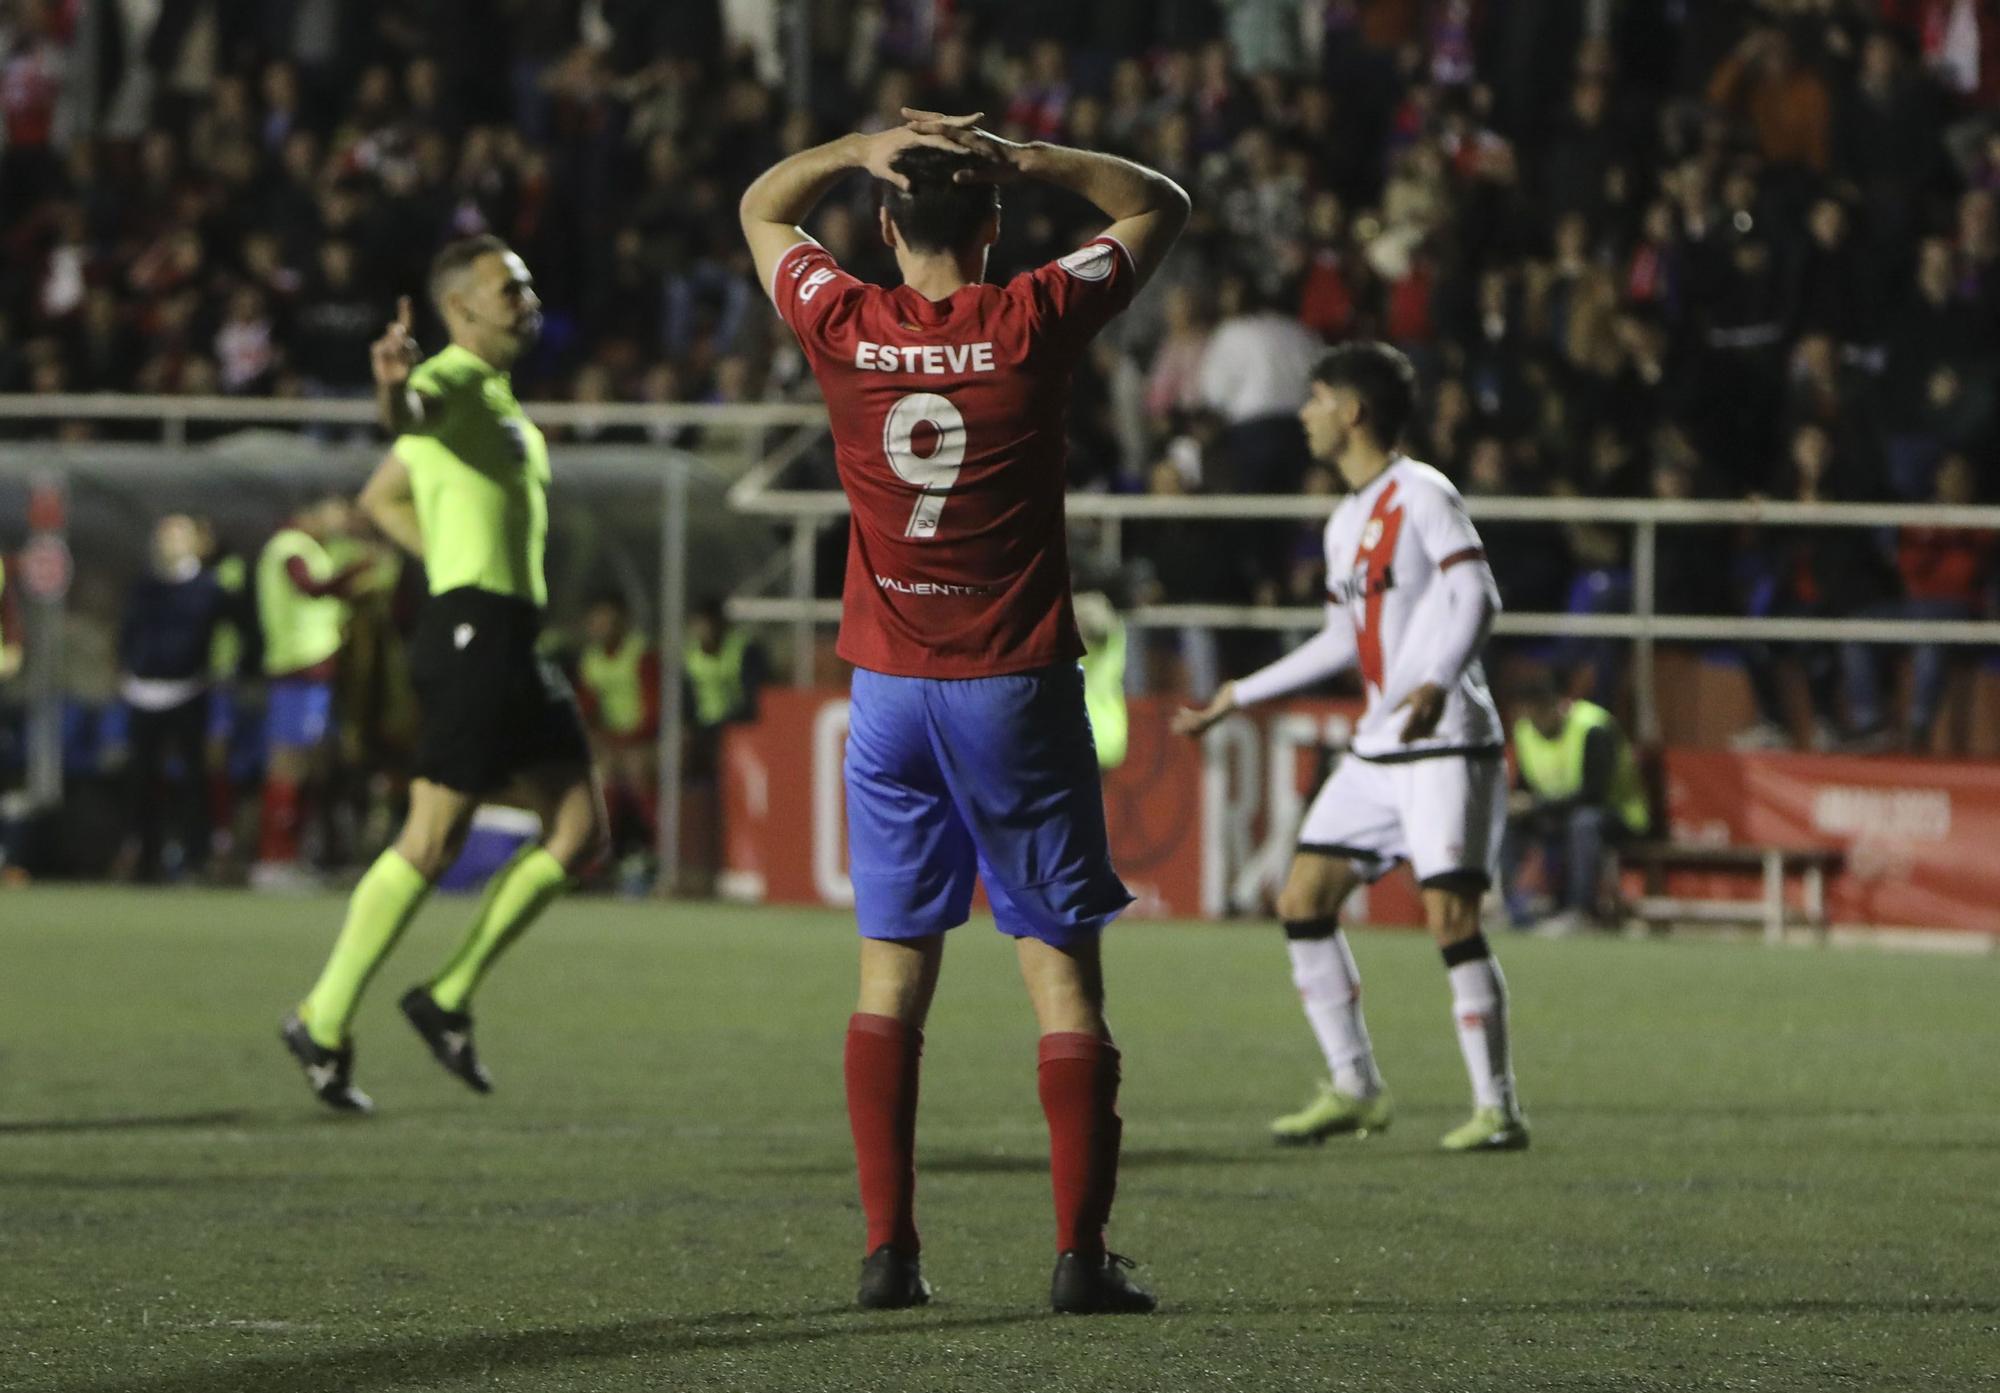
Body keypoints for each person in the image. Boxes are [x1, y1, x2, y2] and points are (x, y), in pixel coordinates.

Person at [739, 106, 1188, 1313]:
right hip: (1012, 684)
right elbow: (1159, 204)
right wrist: (1030, 158)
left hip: (886, 693)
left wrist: (851, 146)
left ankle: (889, 1252)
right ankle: (1078, 1260)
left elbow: (760, 208)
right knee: (1062, 983)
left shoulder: (840, 318)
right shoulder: (1028, 315)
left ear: (885, 229)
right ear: (991, 228)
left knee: (890, 975)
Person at [282, 235, 610, 1114]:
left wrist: (442, 557)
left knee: (580, 833)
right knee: (431, 839)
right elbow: (404, 419)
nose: (528, 297)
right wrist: (393, 382)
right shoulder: (456, 381)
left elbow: (384, 491)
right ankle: (322, 1015)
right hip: (474, 634)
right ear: (460, 306)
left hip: (505, 634)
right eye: (511, 286)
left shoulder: (492, 398)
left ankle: (448, 996)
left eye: (530, 283)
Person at [1175, 342, 1527, 1154]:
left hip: (1444, 743)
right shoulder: (1345, 521)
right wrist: (1241, 693)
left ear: (1353, 412)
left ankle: (1498, 1107)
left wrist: (1438, 678)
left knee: (1451, 918)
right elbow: (1341, 638)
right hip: (1379, 748)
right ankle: (1356, 1086)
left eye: (1317, 398)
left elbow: (1478, 592)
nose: (1304, 414)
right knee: (1302, 898)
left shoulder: (1424, 491)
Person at [251, 495, 369, 888]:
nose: (340, 520)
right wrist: (356, 574)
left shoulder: (320, 549)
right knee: (288, 766)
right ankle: (274, 860)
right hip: (298, 670)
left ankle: (299, 855)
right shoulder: (290, 548)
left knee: (312, 767)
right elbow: (310, 587)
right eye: (334, 511)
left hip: (318, 673)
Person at [116, 515, 230, 881]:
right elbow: (128, 634)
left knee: (193, 778)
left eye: (180, 536)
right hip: (142, 692)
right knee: (142, 779)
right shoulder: (143, 586)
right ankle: (146, 859)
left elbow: (228, 635)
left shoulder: (209, 588)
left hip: (188, 691)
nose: (171, 543)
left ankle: (198, 857)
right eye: (165, 536)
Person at [1501, 672, 1651, 931]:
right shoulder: (1526, 731)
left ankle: (1579, 910)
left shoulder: (1593, 727)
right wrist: (1519, 804)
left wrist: (1537, 806)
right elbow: (1525, 786)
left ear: (1558, 706)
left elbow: (1595, 793)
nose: (1534, 722)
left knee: (1583, 823)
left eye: (1539, 713)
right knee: (1507, 822)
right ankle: (1515, 908)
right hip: (1557, 812)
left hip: (1618, 815)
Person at [575, 590, 664, 874]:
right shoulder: (590, 660)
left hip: (645, 740)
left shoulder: (641, 654)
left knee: (637, 769)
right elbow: (584, 710)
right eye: (597, 621)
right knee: (601, 774)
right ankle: (599, 858)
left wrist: (625, 742)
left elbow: (655, 710)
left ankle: (659, 852)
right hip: (612, 743)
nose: (602, 628)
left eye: (608, 621)